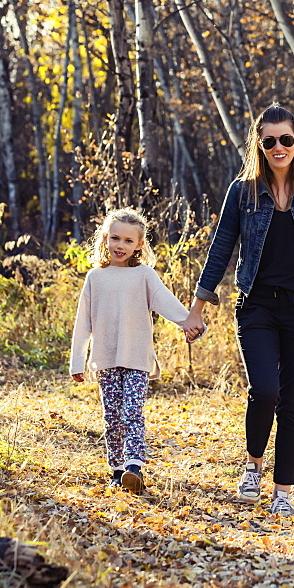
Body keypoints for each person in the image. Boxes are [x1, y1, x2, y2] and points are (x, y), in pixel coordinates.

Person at [183, 103, 294, 516]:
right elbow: (220, 251)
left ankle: (283, 489)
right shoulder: (242, 191)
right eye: (269, 140)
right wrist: (197, 309)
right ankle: (253, 464)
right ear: (259, 144)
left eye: (285, 139)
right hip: (257, 306)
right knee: (265, 389)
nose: (278, 147)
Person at [70, 208, 198, 495]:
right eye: (115, 238)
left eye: (128, 241)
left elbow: (166, 303)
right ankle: (117, 470)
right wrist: (78, 360)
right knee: (112, 416)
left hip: (137, 356)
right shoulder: (96, 277)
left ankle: (134, 466)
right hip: (105, 358)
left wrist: (190, 322)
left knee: (132, 412)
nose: (120, 245)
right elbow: (83, 322)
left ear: (139, 244)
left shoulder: (144, 275)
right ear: (104, 238)